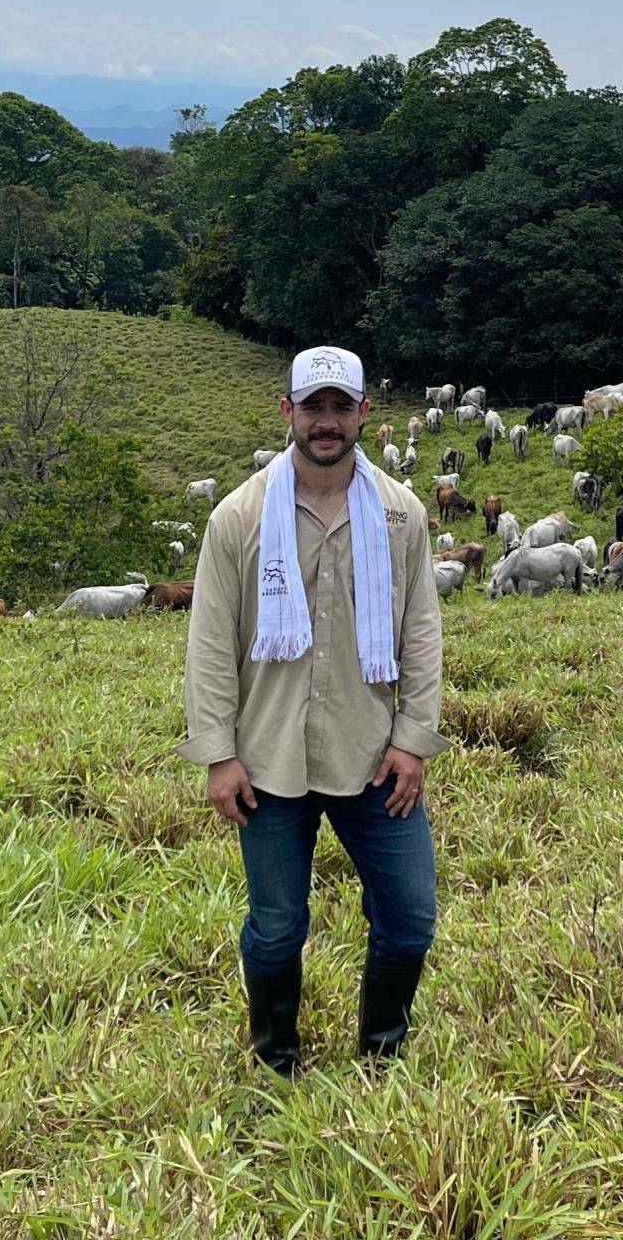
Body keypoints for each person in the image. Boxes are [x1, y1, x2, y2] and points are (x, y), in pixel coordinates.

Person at [179, 345, 447, 1076]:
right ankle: (278, 1061)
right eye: (312, 406)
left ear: (365, 413)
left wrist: (414, 741)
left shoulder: (399, 515)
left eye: (340, 407)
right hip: (267, 760)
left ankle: (381, 1051)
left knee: (410, 918)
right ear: (287, 412)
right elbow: (208, 644)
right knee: (274, 929)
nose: (326, 422)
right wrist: (218, 754)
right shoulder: (239, 519)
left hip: (372, 755)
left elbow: (421, 631)